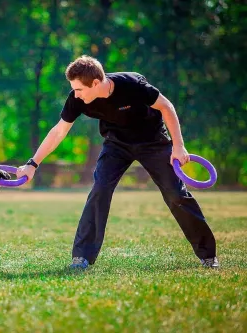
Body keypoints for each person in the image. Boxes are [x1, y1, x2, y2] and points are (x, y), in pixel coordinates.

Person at [16, 55, 219, 270]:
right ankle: (82, 257)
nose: (75, 94)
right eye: (74, 89)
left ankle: (208, 255)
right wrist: (33, 164)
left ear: (95, 83)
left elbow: (166, 107)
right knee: (100, 189)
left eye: (79, 89)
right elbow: (59, 131)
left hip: (152, 141)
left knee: (175, 193)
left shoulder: (131, 84)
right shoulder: (77, 99)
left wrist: (178, 146)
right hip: (116, 143)